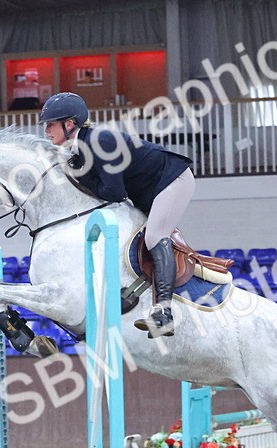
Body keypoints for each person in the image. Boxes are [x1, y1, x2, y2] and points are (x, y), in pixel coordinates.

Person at [40, 92, 195, 337]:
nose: (46, 131)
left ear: (69, 124)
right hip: (150, 191)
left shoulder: (99, 141)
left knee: (154, 237)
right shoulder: (82, 146)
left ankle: (164, 312)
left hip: (172, 180)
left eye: (50, 124)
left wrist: (80, 173)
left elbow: (114, 192)